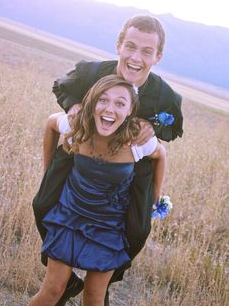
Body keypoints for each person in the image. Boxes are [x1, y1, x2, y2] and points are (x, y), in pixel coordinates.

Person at [32, 15, 183, 306]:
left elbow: (174, 128)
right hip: (80, 153)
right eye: (130, 46)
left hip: (130, 172)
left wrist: (155, 128)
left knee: (136, 230)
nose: (136, 57)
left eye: (147, 51)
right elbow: (61, 89)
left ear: (158, 56)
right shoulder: (91, 73)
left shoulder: (165, 94)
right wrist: (74, 105)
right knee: (42, 203)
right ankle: (63, 275)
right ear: (118, 45)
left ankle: (103, 278)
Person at [29, 75, 166, 306]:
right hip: (69, 215)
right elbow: (52, 124)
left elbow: (161, 155)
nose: (110, 109)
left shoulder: (136, 141)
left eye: (120, 103)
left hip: (109, 226)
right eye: (103, 100)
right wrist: (48, 173)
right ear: (91, 103)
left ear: (130, 111)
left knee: (94, 297)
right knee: (52, 289)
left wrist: (154, 199)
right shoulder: (77, 126)